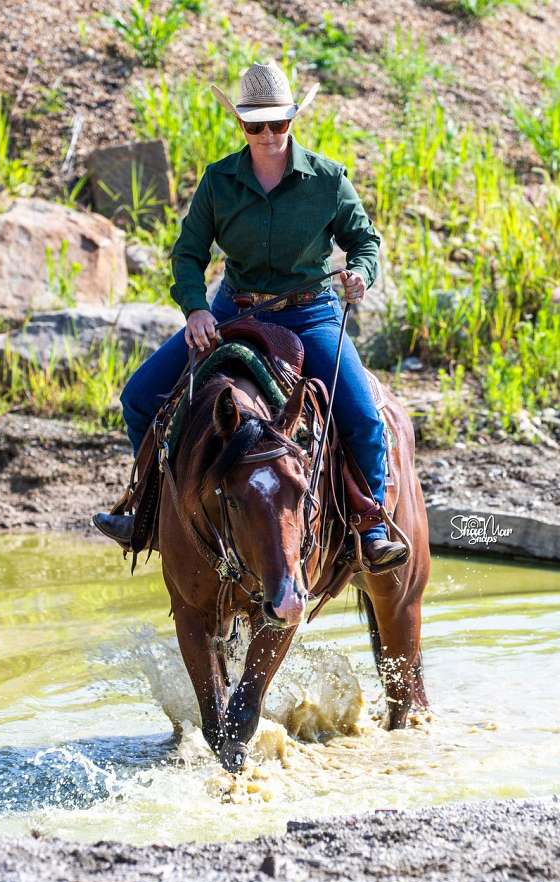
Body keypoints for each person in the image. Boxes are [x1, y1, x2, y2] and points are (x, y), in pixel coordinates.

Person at [93, 61, 406, 567]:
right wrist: (195, 309)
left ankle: (369, 526)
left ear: (292, 120)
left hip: (310, 316)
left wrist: (361, 274)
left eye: (277, 123)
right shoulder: (219, 181)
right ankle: (148, 510)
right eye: (254, 124)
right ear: (240, 124)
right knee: (140, 396)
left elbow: (364, 241)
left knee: (363, 416)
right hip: (230, 311)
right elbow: (188, 253)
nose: (266, 134)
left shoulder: (328, 180)